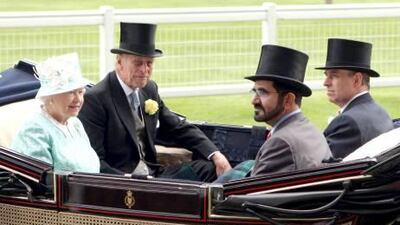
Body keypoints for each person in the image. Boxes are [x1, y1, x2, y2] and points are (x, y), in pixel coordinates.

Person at [78, 22, 231, 181]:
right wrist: (130, 181)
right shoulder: (96, 99)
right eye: (138, 63)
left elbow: (177, 127)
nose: (145, 70)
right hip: (122, 184)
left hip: (154, 174)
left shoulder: (149, 89)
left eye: (149, 63)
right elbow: (96, 162)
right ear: (119, 62)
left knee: (210, 169)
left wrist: (215, 154)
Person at [215, 44, 331, 183]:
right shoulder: (310, 130)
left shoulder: (281, 143)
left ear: (288, 99)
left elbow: (249, 197)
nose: (254, 101)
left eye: (263, 92)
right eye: (255, 92)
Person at [11, 53, 100, 173]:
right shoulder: (34, 130)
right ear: (50, 96)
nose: (78, 100)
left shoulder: (75, 123)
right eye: (70, 92)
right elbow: (42, 183)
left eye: (80, 92)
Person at [316, 38, 394, 159]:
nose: (326, 83)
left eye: (334, 76)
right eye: (326, 76)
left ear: (357, 80)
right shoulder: (380, 112)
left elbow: (317, 167)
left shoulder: (348, 122)